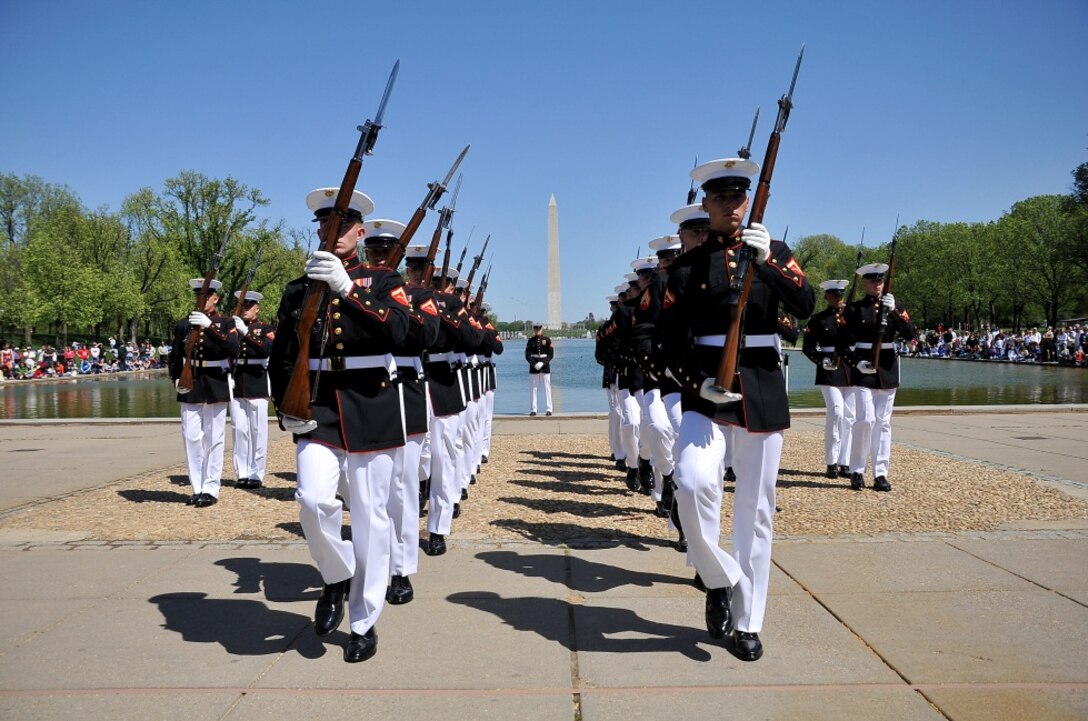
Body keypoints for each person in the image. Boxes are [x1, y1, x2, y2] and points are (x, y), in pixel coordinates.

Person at [659, 156, 814, 661]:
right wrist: (696, 380)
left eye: (738, 198)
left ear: (748, 202)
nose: (731, 205)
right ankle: (718, 576)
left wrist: (769, 261)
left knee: (756, 511)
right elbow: (666, 341)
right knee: (692, 480)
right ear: (705, 205)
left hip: (762, 392)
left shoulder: (775, 252)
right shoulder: (686, 267)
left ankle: (748, 621)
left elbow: (806, 304)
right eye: (721, 198)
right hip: (707, 394)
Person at [268, 188, 410, 663]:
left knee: (371, 518)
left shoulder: (384, 281)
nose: (334, 233)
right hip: (319, 407)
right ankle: (335, 575)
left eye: (343, 226)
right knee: (310, 500)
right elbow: (283, 353)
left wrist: (348, 290)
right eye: (325, 226)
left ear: (359, 231)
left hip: (371, 406)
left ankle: (365, 621)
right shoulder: (298, 287)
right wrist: (280, 404)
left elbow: (403, 332)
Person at [379, 233, 439, 605]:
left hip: (406, 388)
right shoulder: (354, 287)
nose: (380, 258)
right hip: (366, 390)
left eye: (388, 253)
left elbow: (428, 333)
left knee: (401, 486)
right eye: (375, 251)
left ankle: (399, 567)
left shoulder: (420, 297)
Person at [841, 262, 915, 492]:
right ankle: (857, 470)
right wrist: (855, 362)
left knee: (883, 423)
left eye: (880, 280)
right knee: (865, 420)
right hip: (864, 368)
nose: (877, 284)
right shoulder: (854, 309)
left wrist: (895, 312)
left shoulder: (894, 306)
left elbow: (910, 333)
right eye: (873, 280)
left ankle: (880, 473)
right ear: (864, 283)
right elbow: (842, 343)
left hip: (887, 368)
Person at [167, 278, 241, 508]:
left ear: (215, 299)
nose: (202, 301)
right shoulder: (183, 324)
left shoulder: (226, 323)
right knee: (191, 437)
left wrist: (210, 326)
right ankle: (196, 486)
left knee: (214, 438)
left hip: (215, 381)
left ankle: (210, 488)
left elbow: (233, 348)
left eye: (206, 297)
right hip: (191, 382)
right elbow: (175, 354)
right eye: (199, 296)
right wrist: (175, 377)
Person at [801, 279, 854, 479]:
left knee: (850, 416)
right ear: (827, 297)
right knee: (837, 413)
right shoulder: (818, 319)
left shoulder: (851, 316)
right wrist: (821, 360)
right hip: (829, 369)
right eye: (834, 295)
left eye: (840, 295)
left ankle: (845, 461)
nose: (838, 299)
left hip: (849, 368)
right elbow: (808, 347)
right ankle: (831, 461)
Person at [229, 290, 275, 489]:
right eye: (243, 306)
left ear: (257, 308)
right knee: (239, 429)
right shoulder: (233, 329)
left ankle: (256, 473)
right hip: (238, 380)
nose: (246, 310)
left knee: (257, 429)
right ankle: (243, 472)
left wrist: (246, 333)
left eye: (249, 307)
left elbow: (266, 349)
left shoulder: (265, 328)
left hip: (257, 380)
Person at [525, 322, 554, 416]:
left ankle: (549, 409)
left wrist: (544, 362)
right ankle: (533, 409)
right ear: (534, 329)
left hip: (545, 367)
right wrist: (534, 364)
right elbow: (527, 355)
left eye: (539, 328)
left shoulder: (547, 340)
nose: (537, 330)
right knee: (534, 388)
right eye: (536, 329)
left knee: (547, 388)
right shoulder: (530, 341)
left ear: (542, 329)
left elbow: (550, 354)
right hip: (534, 368)